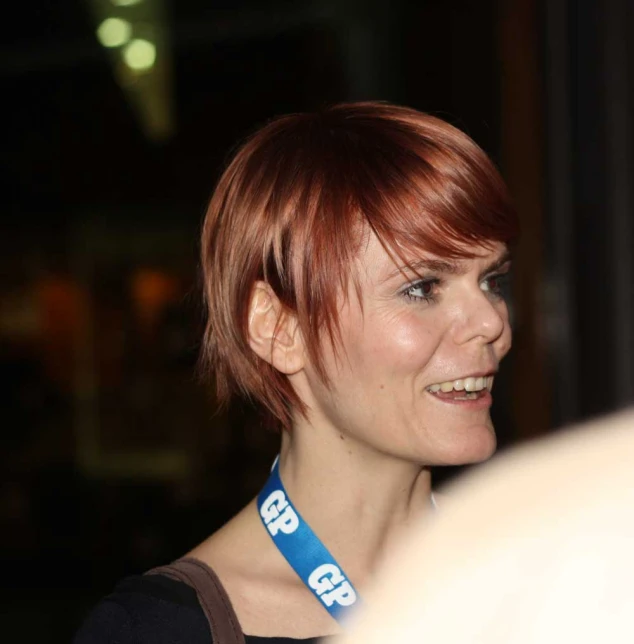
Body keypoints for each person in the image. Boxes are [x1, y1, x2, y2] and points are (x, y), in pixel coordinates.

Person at [74, 101, 518, 643]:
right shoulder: (160, 633)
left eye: (491, 281)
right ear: (280, 329)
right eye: (422, 287)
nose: (491, 322)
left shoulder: (551, 567)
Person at [335, 408, 634, 644]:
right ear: (286, 337)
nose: (495, 328)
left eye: (502, 323)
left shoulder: (568, 563)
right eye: (426, 324)